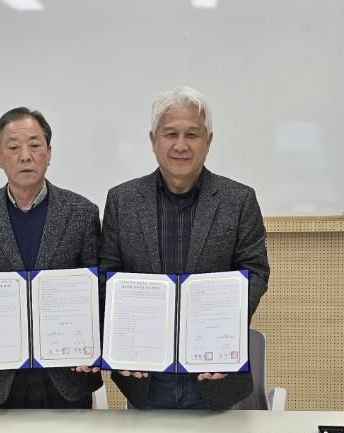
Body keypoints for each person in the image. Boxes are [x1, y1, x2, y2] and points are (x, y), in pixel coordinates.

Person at [99, 87, 270, 410]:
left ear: (208, 140)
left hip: (215, 376)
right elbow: (108, 276)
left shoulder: (238, 200)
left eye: (192, 134)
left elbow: (255, 272)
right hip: (145, 378)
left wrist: (225, 332)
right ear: (153, 140)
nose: (181, 145)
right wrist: (123, 338)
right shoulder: (122, 201)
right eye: (170, 134)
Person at [0, 107, 102, 408]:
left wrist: (95, 344)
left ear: (49, 152)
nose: (25, 156)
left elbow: (96, 288)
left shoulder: (81, 212)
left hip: (68, 374)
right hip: (0, 377)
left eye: (35, 145)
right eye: (13, 147)